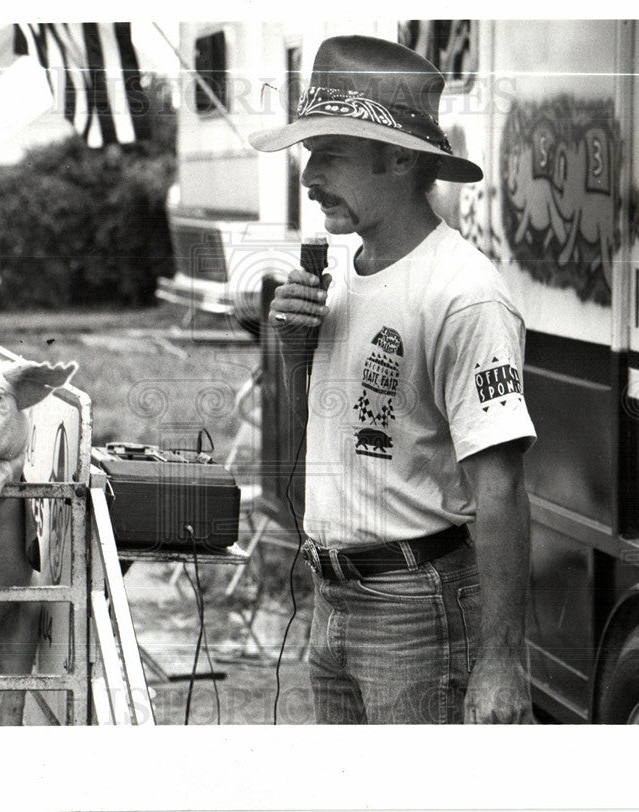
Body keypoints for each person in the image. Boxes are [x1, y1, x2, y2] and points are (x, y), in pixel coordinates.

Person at [249, 35, 537, 724]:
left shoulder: (463, 293)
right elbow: (329, 427)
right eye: (308, 152)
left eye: (332, 153)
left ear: (402, 158)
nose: (308, 174)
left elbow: (500, 488)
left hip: (416, 603)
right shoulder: (341, 273)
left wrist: (501, 661)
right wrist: (293, 345)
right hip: (332, 597)